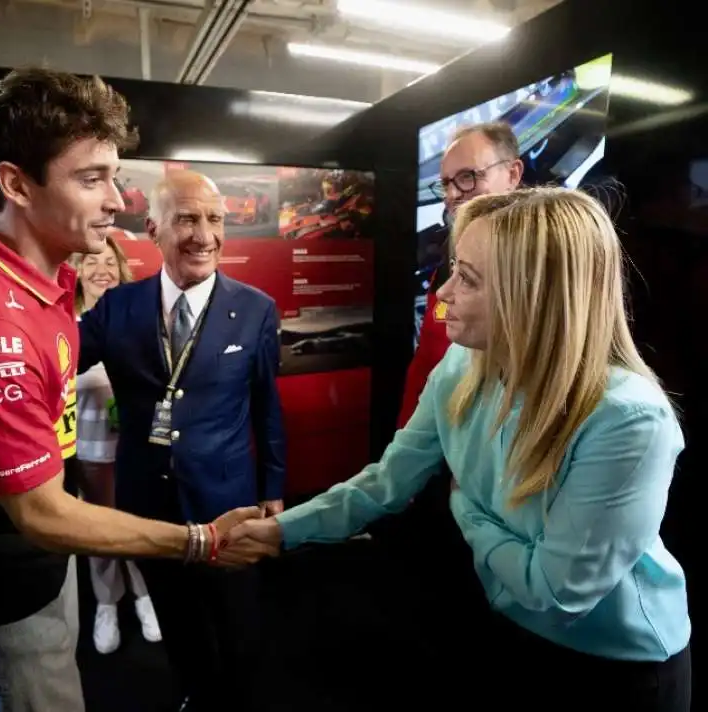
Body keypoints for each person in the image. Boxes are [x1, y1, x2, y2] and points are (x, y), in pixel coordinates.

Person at [230, 187, 692, 711]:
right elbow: (387, 481)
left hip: (614, 668)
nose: (444, 293)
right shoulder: (461, 367)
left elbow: (557, 592)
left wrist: (464, 508)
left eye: (468, 278)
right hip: (505, 626)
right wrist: (281, 531)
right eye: (454, 268)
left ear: (532, 297)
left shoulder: (627, 418)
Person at [0, 67, 272, 712]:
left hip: (46, 556)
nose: (114, 200)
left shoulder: (45, 286)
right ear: (17, 184)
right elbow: (42, 513)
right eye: (91, 178)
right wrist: (199, 540)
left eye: (113, 176)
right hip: (6, 573)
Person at [78, 169, 286, 712]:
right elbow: (54, 363)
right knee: (175, 614)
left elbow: (266, 403)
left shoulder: (257, 308)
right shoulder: (117, 308)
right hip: (149, 502)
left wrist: (274, 486)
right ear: (154, 228)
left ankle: (239, 697)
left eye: (214, 220)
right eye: (187, 219)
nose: (204, 235)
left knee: (237, 618)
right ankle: (193, 689)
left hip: (229, 499)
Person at [398, 121, 523, 428]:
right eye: (446, 183)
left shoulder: (541, 268)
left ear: (512, 174)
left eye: (468, 177)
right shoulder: (445, 259)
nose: (453, 194)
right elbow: (426, 362)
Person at [73, 235, 161, 654]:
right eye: (91, 261)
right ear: (74, 269)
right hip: (87, 452)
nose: (101, 270)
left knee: (141, 528)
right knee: (100, 534)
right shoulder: (63, 322)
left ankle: (146, 598)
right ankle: (107, 603)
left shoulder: (138, 317)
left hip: (136, 449)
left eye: (109, 261)